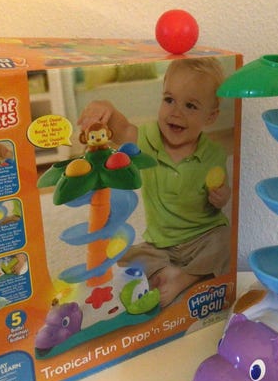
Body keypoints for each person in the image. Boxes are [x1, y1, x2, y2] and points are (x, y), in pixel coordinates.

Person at [78, 58, 231, 307]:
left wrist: (222, 196)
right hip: (160, 245)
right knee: (124, 254)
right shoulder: (148, 140)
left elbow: (222, 194)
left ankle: (186, 277)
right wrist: (105, 108)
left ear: (210, 117)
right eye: (169, 100)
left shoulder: (214, 154)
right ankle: (172, 271)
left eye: (190, 105)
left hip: (203, 236)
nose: (176, 112)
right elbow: (122, 129)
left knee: (226, 240)